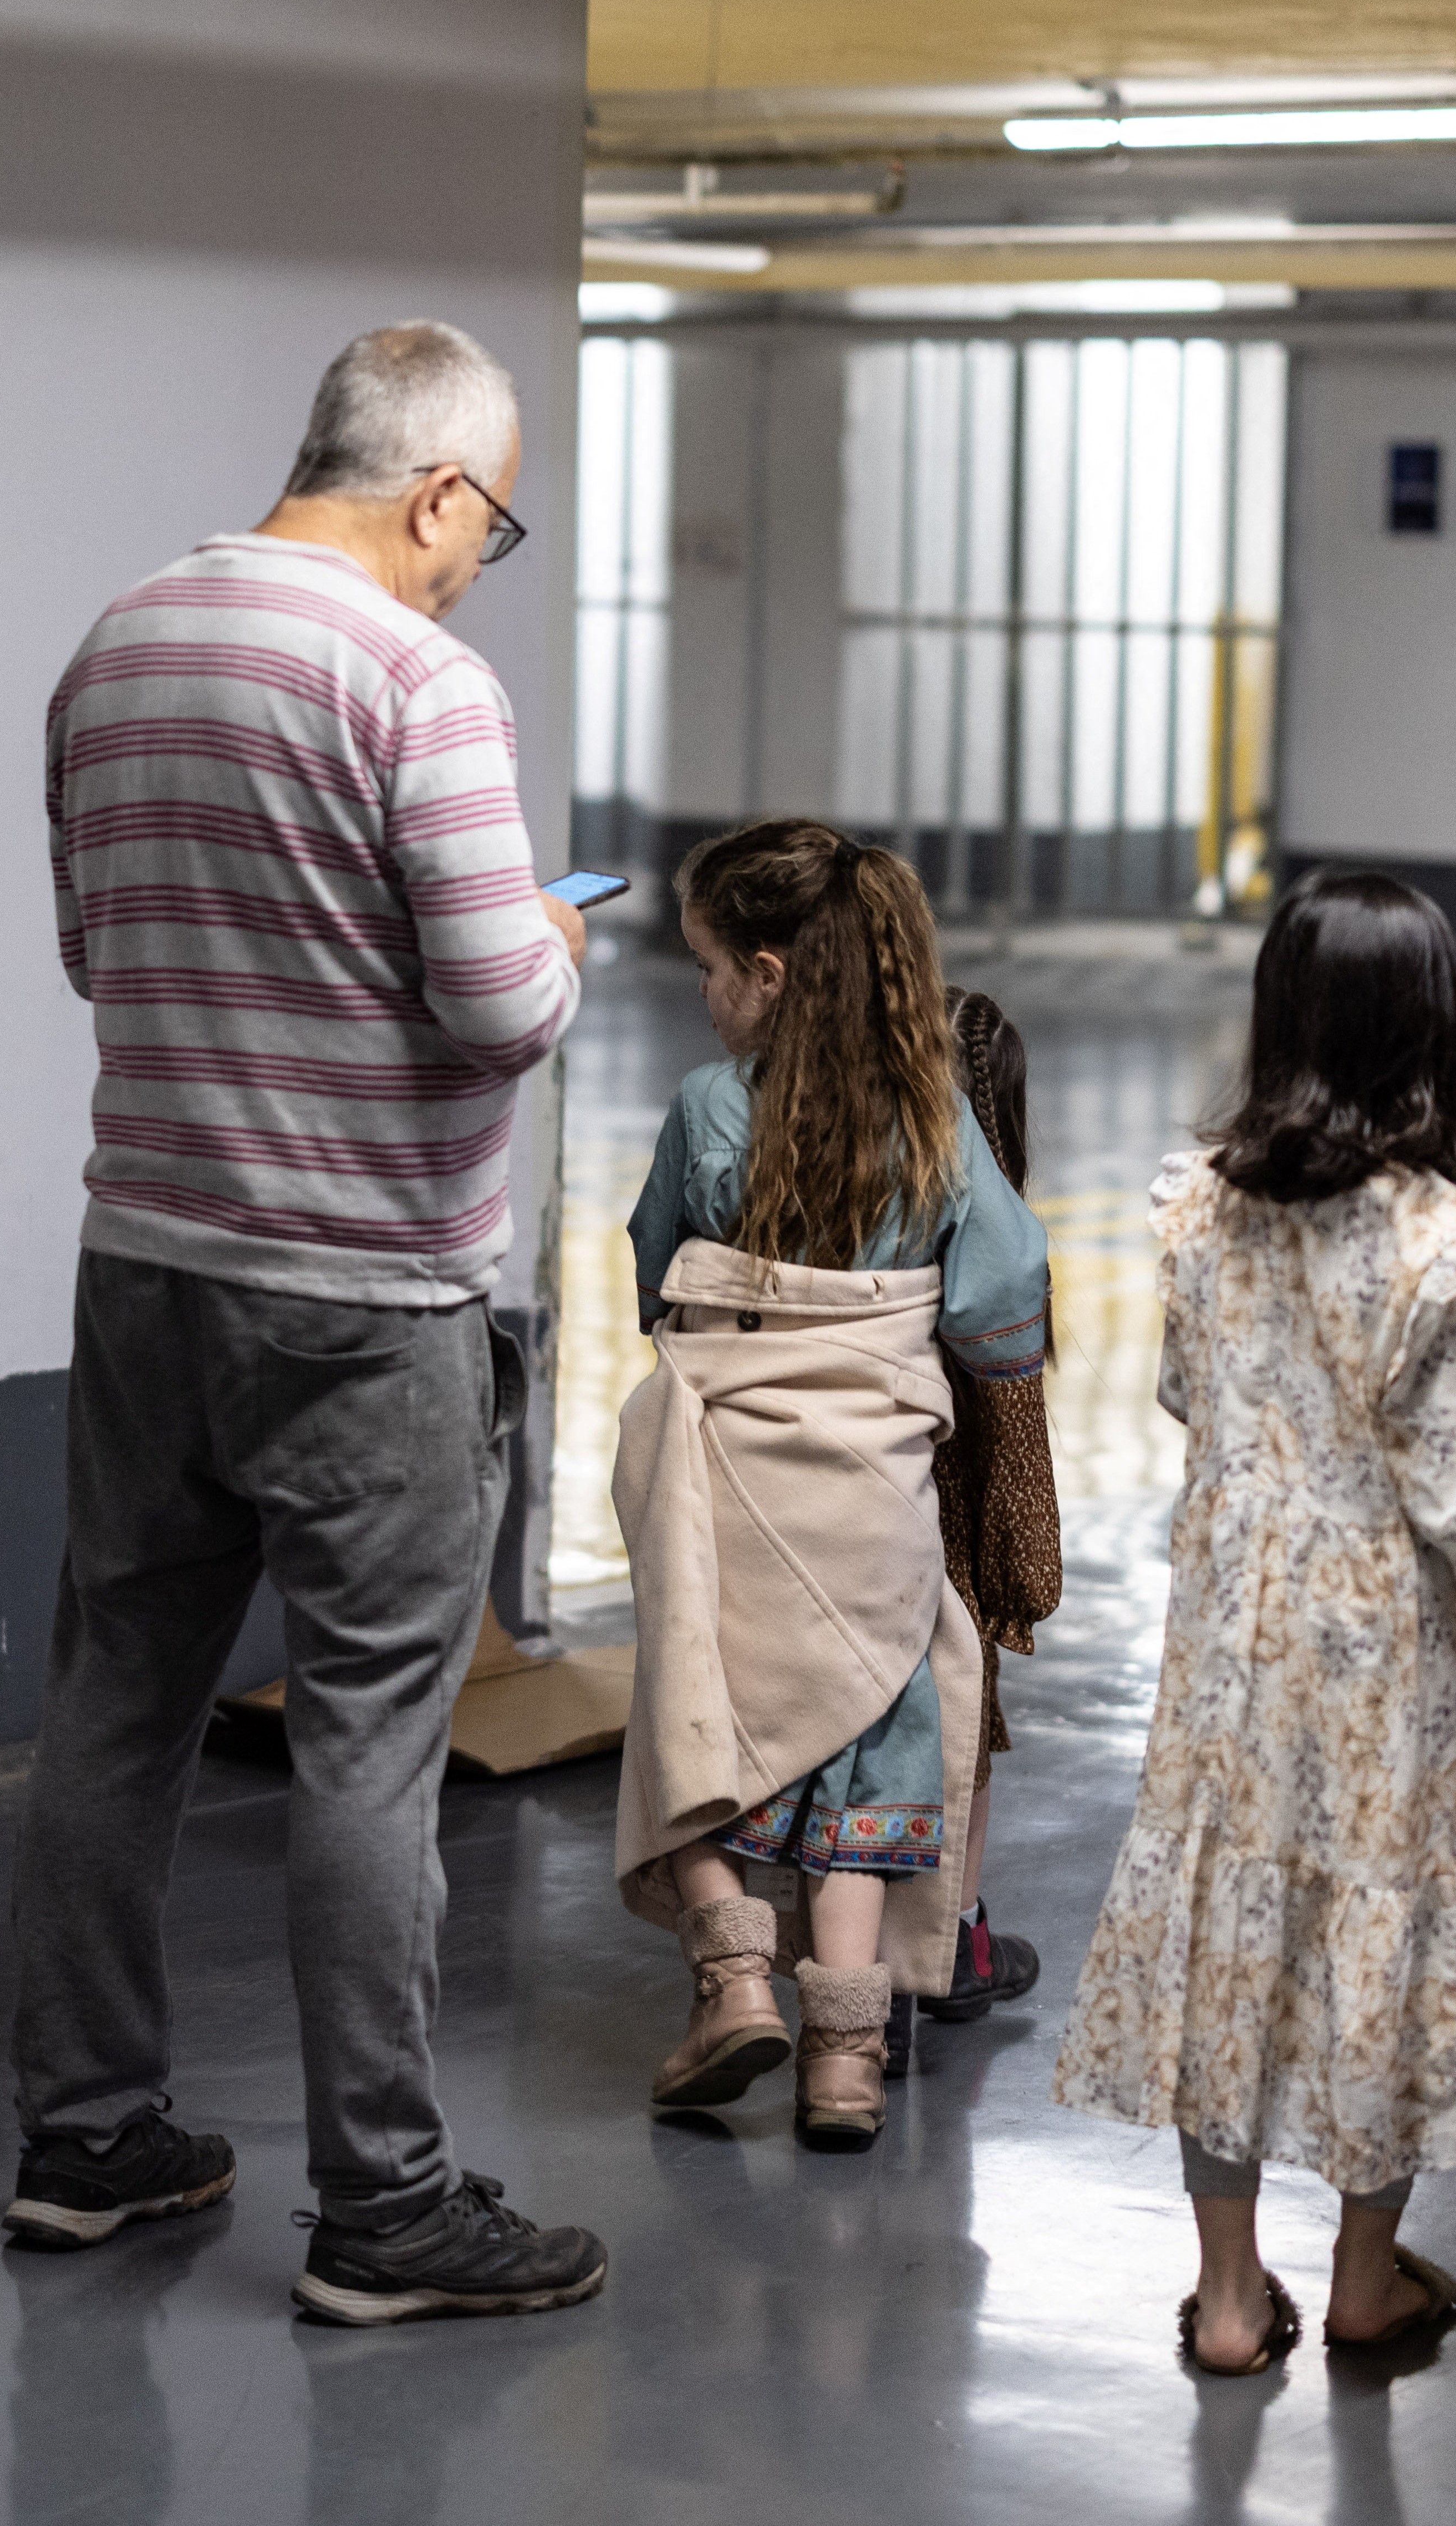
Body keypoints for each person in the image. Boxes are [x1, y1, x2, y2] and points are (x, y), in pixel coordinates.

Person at [6, 320, 608, 2326]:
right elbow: (497, 1010)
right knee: (370, 1745)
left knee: (115, 1704)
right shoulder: (419, 683)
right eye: (487, 525)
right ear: (434, 491)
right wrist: (554, 940)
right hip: (363, 1303)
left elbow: (96, 954)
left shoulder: (116, 647)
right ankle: (381, 2211)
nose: (474, 562)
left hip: (145, 1269)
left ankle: (86, 2139)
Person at [1055, 872, 1456, 2375]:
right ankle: (1367, 2276)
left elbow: (1192, 1395)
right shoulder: (1451, 1251)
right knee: (1380, 1922)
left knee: (1234, 1919)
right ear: (1434, 1034)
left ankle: (1220, 2289)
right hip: (1382, 1651)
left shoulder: (1193, 1205)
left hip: (1228, 1628)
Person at [613, 819, 1045, 2155]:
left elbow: (654, 1274)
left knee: (695, 1717)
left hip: (730, 1473)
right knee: (869, 1736)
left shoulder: (705, 1110)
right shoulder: (933, 1116)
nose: (702, 997)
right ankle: (844, 2063)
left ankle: (732, 1978)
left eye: (705, 970)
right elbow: (1001, 1298)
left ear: (766, 971)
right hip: (874, 1497)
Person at [916, 986, 1063, 2051]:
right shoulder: (1003, 1273)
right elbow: (1022, 1501)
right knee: (964, 1727)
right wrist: (1027, 1582)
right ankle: (956, 1943)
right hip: (952, 1566)